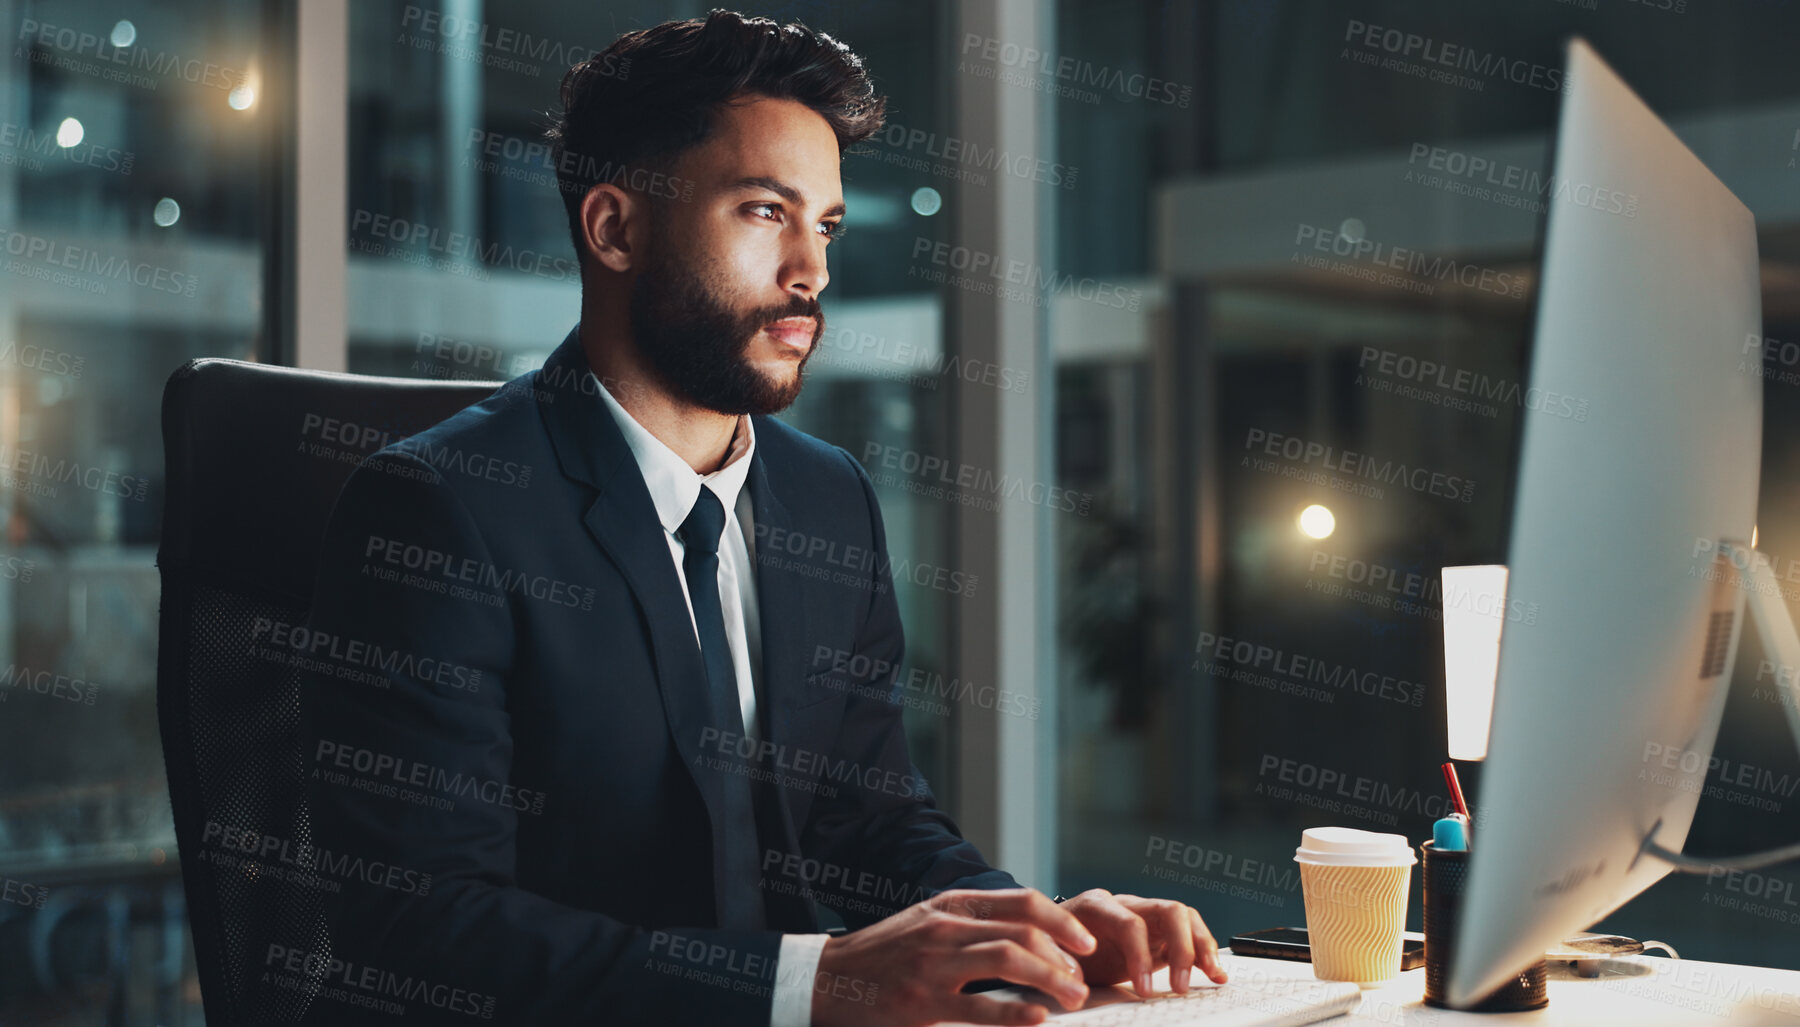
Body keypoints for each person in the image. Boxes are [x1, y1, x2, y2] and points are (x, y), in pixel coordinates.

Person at [298, 11, 1225, 1026]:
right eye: (761, 212)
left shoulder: (828, 497)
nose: (812, 273)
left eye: (823, 223)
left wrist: (1039, 937)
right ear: (614, 227)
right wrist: (814, 983)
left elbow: (865, 820)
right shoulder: (443, 509)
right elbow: (424, 928)